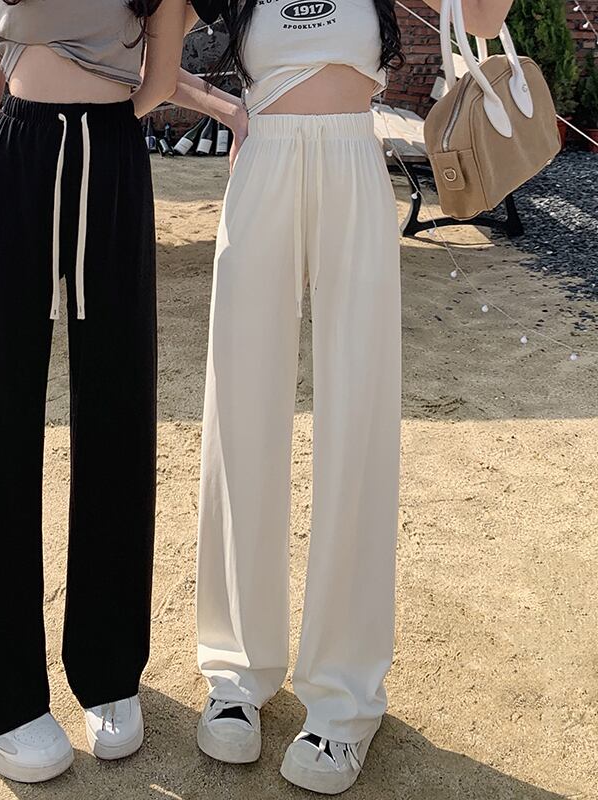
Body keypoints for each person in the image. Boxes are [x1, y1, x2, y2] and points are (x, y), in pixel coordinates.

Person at [171, 0, 514, 793]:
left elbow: (484, 14)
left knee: (359, 415)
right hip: (264, 163)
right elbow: (138, 44)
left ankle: (345, 696)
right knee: (240, 411)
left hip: (353, 162)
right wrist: (227, 108)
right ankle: (236, 672)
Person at [0, 0, 185, 783]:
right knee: (0, 420)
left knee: (119, 413)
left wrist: (96, 108)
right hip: (21, 153)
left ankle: (109, 668)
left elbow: (159, 80)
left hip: (113, 161)